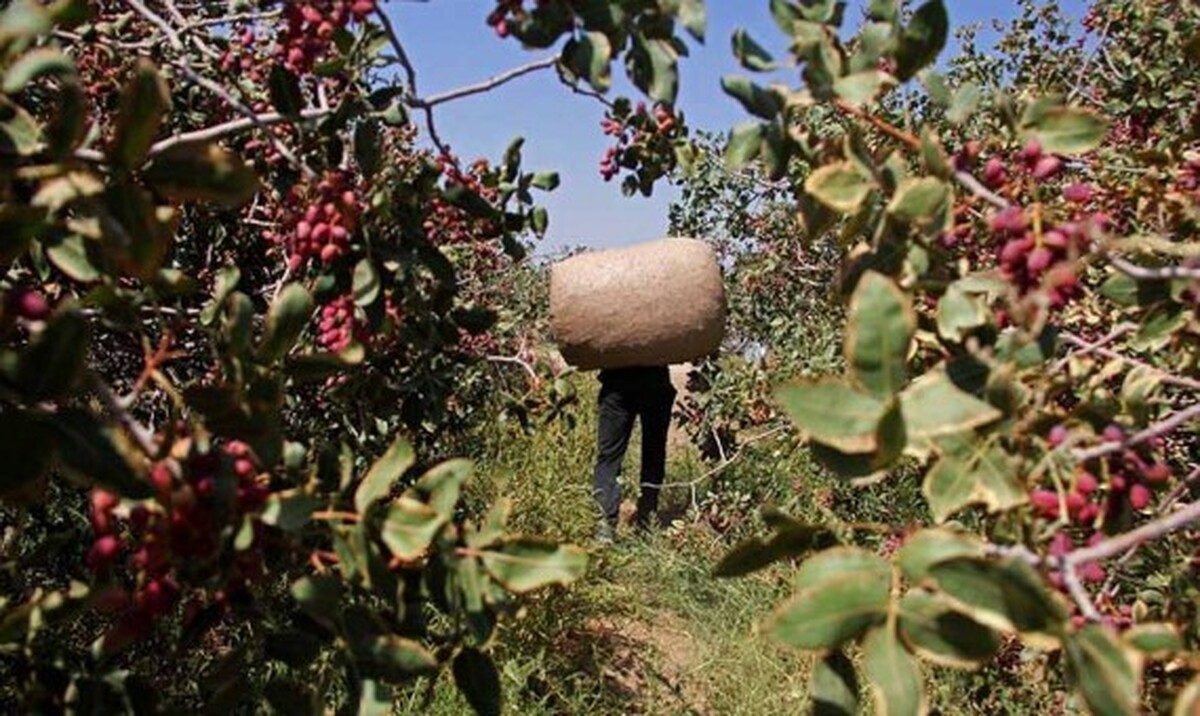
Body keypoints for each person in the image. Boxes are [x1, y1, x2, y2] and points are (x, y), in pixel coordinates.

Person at [592, 365, 676, 542]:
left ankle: (605, 524)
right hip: (655, 381)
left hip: (617, 382)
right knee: (654, 454)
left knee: (609, 457)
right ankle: (646, 520)